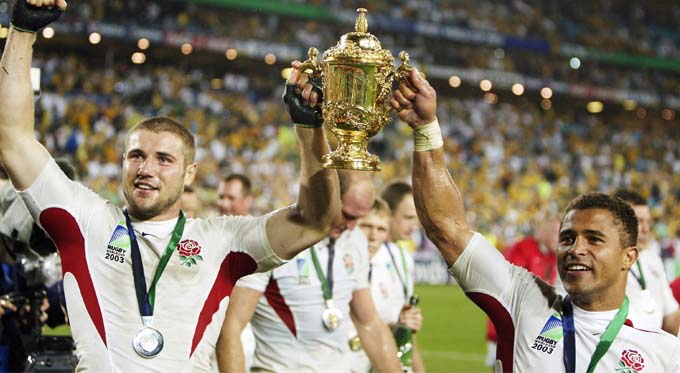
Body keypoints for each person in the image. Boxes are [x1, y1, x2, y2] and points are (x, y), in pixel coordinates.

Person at [0, 1, 342, 371]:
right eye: (136, 156)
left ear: (190, 173)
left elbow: (313, 221)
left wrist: (310, 131)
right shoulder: (85, 222)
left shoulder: (221, 241)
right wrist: (22, 30)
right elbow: (13, 140)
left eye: (165, 159)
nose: (147, 169)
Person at [390, 67, 680, 371]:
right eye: (567, 238)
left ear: (628, 257)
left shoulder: (663, 353)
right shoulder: (524, 299)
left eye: (594, 239)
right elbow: (447, 229)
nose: (575, 248)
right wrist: (426, 129)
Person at [216, 170, 401, 373]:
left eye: (358, 218)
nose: (351, 226)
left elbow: (369, 323)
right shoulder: (273, 237)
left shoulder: (355, 239)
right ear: (324, 195)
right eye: (346, 215)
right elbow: (230, 328)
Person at [352, 197, 424, 373]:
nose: (373, 236)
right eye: (366, 226)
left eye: (380, 229)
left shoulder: (388, 270)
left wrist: (402, 324)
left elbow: (383, 325)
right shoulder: (336, 268)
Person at [484, 217, 560, 367]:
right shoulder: (522, 248)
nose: (558, 238)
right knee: (504, 365)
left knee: (543, 363)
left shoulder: (558, 257)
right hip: (512, 323)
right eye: (554, 232)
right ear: (542, 232)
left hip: (546, 324)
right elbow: (507, 283)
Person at [612, 189, 680, 334]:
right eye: (638, 221)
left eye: (648, 222)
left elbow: (671, 315)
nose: (645, 229)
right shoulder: (606, 262)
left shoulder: (653, 259)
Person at [381, 181, 420, 255]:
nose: (414, 228)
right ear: (388, 213)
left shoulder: (405, 255)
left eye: (417, 220)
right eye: (408, 217)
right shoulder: (371, 254)